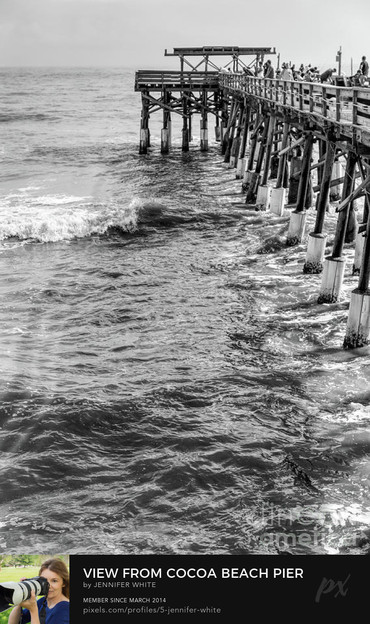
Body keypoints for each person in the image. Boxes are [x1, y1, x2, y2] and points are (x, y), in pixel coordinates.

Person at [8, 558, 69, 624]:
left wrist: (33, 610)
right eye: (44, 580)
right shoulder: (43, 601)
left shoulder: (65, 609)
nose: (48, 586)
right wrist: (22, 595)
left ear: (64, 583)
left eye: (54, 581)